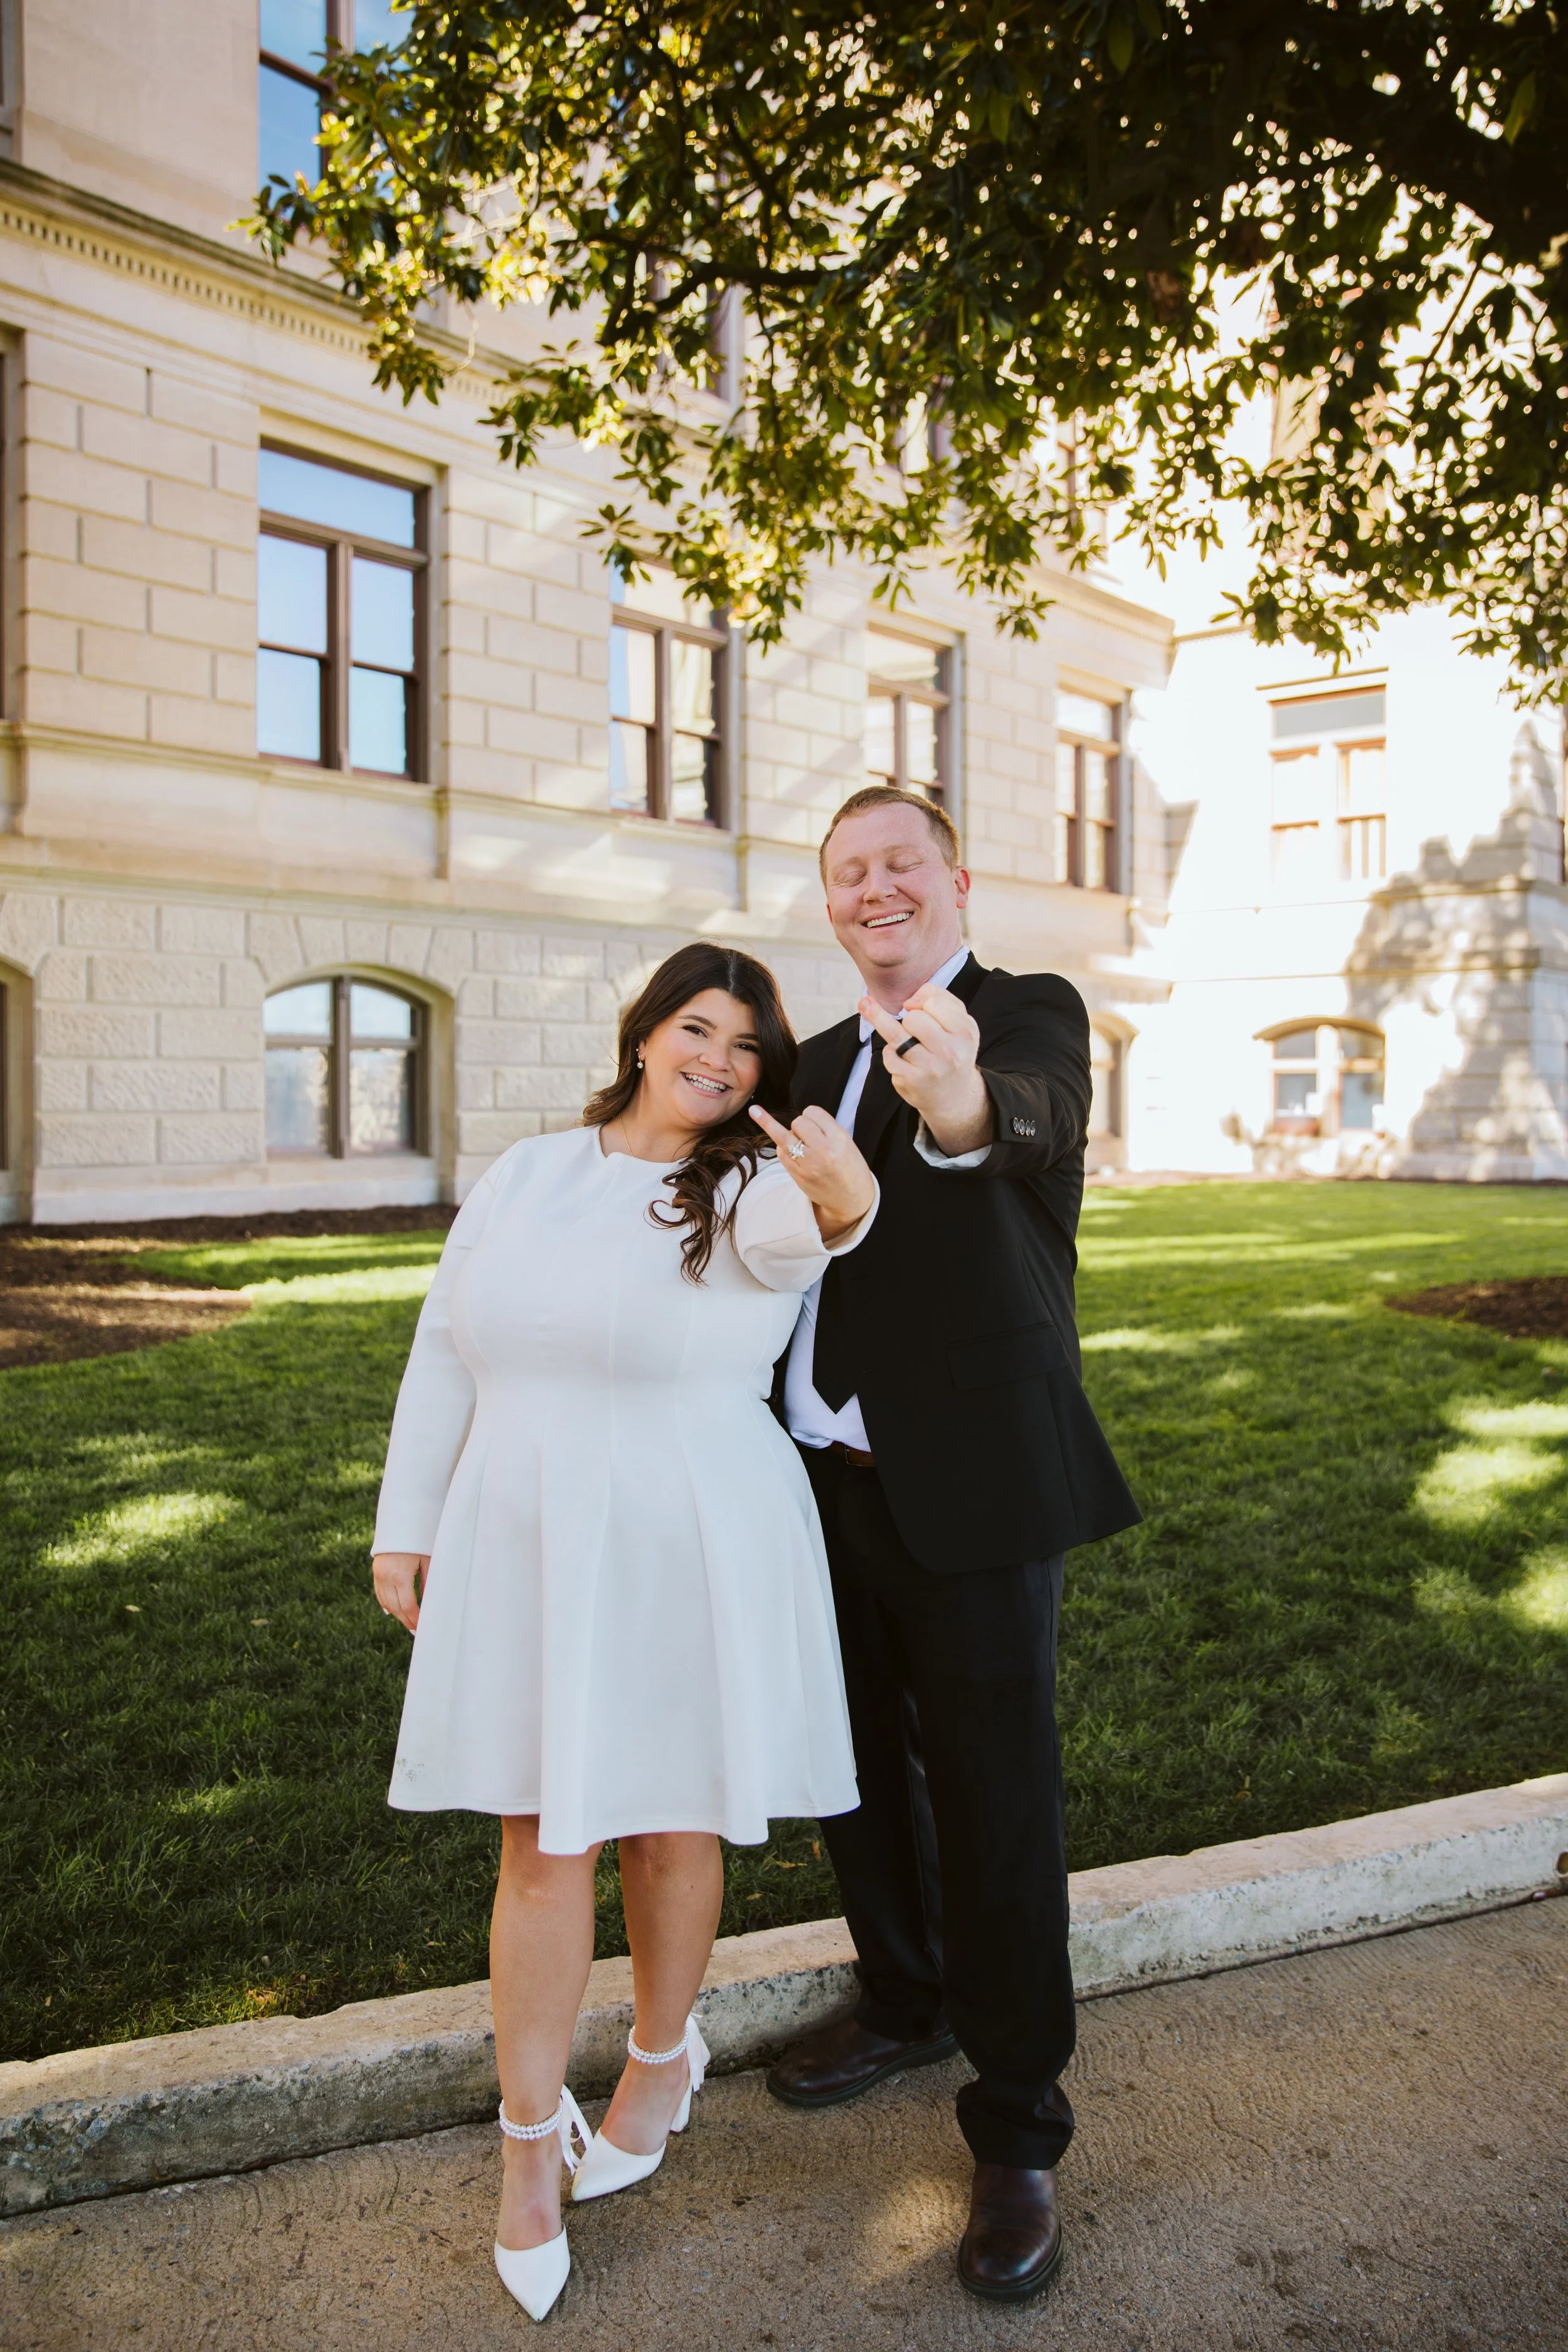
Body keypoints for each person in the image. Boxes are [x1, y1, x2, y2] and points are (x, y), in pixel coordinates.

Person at [370, 942, 879, 2323]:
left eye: (746, 1048)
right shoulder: (530, 1171)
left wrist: (844, 1187)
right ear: (646, 1031)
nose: (715, 1059)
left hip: (689, 1535)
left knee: (668, 1826)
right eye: (694, 1029)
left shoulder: (755, 1192)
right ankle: (526, 2147)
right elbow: (440, 1345)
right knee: (541, 1838)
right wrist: (402, 1525)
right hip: (527, 1526)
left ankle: (661, 2058)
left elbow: (828, 1226)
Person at [765, 784, 1141, 2303]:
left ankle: (1015, 2128)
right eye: (847, 873)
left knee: (994, 1801)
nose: (872, 889)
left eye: (897, 864)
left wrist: (956, 1101)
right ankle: (903, 1995)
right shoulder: (797, 1064)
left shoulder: (1022, 1014)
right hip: (812, 1479)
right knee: (848, 1767)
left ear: (955, 879)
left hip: (974, 1484)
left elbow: (1021, 1123)